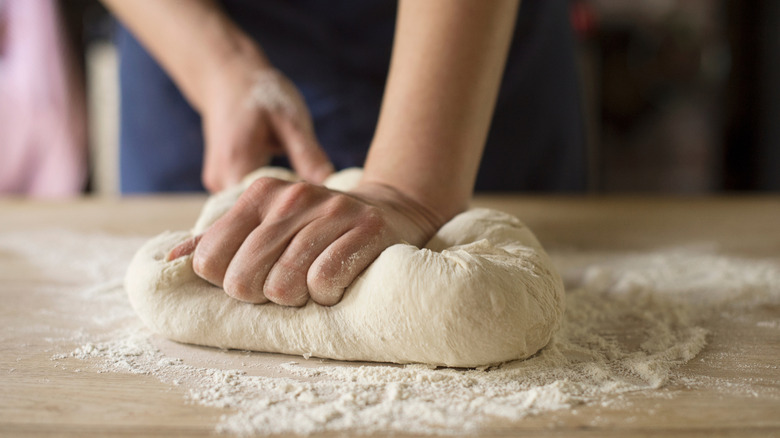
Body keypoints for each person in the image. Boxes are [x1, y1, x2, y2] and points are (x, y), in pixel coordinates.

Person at [103, 0, 585, 307]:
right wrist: (219, 65)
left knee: (498, 294)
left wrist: (410, 191)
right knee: (205, 268)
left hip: (462, 37)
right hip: (190, 27)